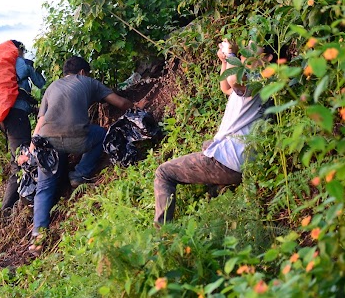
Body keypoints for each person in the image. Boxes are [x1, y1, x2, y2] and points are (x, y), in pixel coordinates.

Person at [153, 37, 283, 225]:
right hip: (242, 161)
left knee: (164, 172)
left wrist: (230, 54)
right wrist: (224, 61)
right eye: (245, 49)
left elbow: (234, 80)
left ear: (268, 57)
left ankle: (162, 233)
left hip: (229, 161)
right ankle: (219, 189)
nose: (245, 53)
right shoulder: (267, 83)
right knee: (208, 145)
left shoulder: (256, 80)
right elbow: (226, 86)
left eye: (252, 50)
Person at [22, 56, 134, 254]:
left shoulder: (51, 88)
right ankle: (80, 174)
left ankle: (37, 239)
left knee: (44, 187)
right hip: (78, 139)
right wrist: (137, 107)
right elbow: (120, 102)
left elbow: (40, 124)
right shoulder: (88, 82)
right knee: (103, 134)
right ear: (82, 72)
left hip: (47, 142)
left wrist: (31, 151)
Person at [0, 40, 46, 219]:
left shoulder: (3, 68)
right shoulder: (23, 63)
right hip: (17, 118)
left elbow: (19, 98)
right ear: (18, 50)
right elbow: (42, 84)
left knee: (20, 158)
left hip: (5, 118)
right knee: (20, 161)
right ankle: (8, 213)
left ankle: (20, 203)